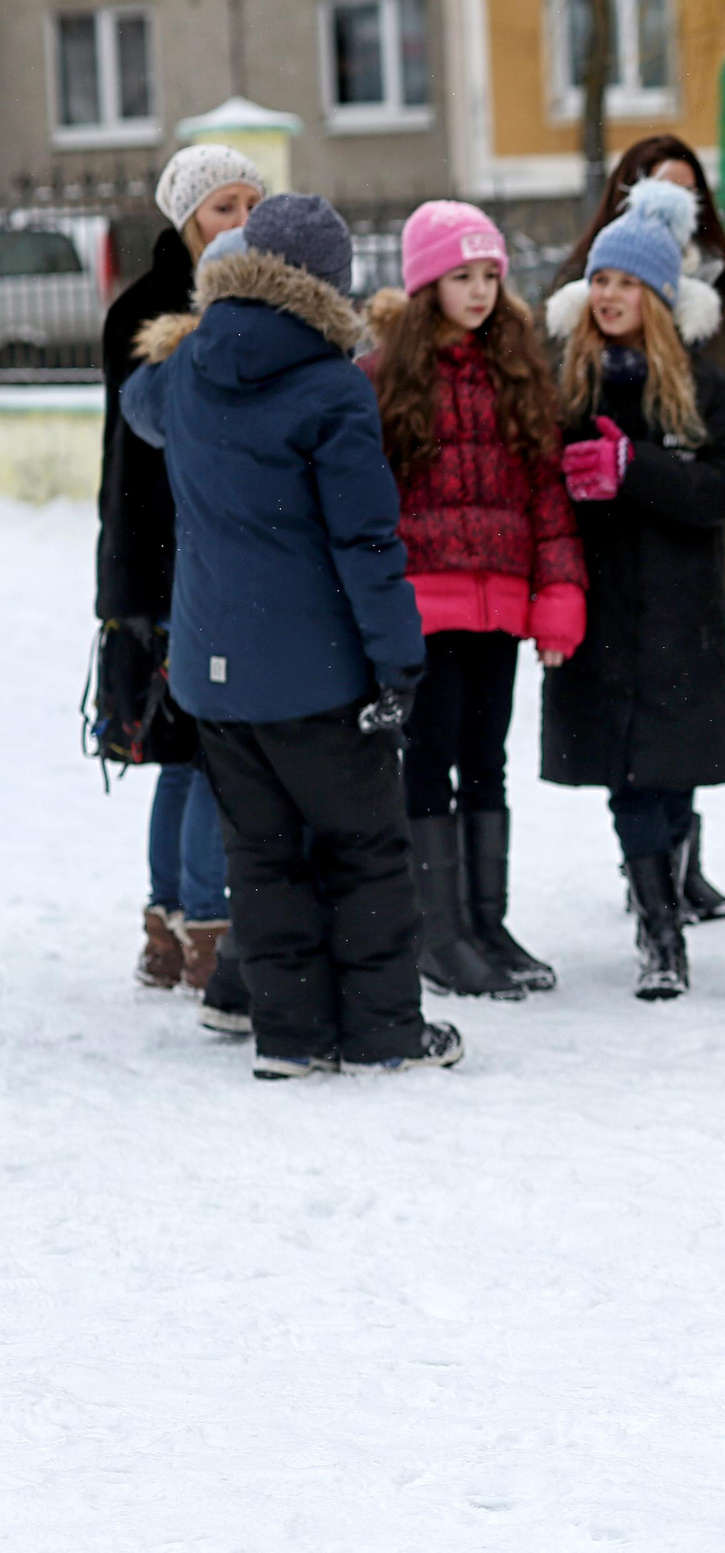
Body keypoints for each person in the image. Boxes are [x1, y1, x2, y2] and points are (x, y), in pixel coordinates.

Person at [120, 194, 462, 1078]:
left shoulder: (191, 365)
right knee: (365, 853)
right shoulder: (331, 386)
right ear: (328, 285)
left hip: (214, 670)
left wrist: (187, 335)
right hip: (316, 674)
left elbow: (138, 404)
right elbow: (365, 541)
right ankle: (384, 1031)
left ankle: (292, 1036)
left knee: (261, 858)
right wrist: (399, 661)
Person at [553, 136, 725, 926]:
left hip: (682, 582)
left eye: (687, 191)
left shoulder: (706, 351)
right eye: (601, 283)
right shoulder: (570, 369)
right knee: (628, 759)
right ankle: (656, 913)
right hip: (605, 592)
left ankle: (679, 876)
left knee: (674, 749)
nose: (611, 294)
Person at [363, 201, 586, 999]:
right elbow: (369, 502)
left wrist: (558, 591)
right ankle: (438, 931)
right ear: (428, 284)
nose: (481, 290)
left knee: (485, 760)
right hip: (425, 605)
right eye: (463, 275)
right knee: (429, 759)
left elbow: (546, 493)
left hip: (503, 599)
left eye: (490, 274)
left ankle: (486, 922)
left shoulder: (517, 368)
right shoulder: (386, 376)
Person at [96, 144, 264, 1006]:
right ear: (186, 217)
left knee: (186, 755)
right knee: (199, 753)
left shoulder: (241, 300)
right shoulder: (156, 309)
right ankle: (203, 929)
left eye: (248, 205)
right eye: (221, 208)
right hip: (170, 560)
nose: (238, 222)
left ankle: (167, 926)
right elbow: (141, 456)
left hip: (188, 556)